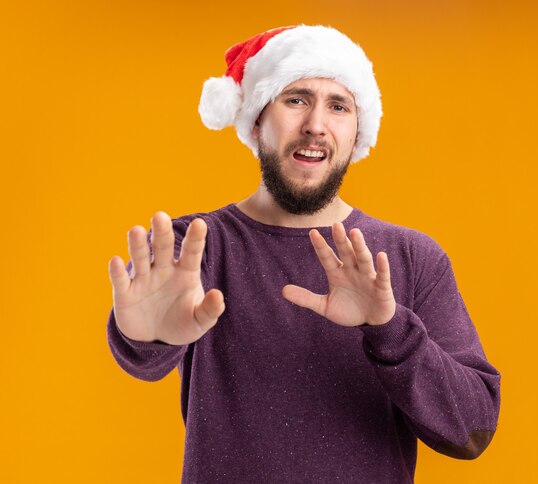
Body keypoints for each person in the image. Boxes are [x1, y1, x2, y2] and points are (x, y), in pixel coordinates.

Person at [107, 25, 501, 483]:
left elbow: (472, 431)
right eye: (295, 99)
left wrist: (389, 329)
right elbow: (145, 348)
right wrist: (148, 338)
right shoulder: (196, 245)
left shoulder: (411, 258)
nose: (316, 123)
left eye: (338, 105)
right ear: (257, 119)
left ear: (356, 134)